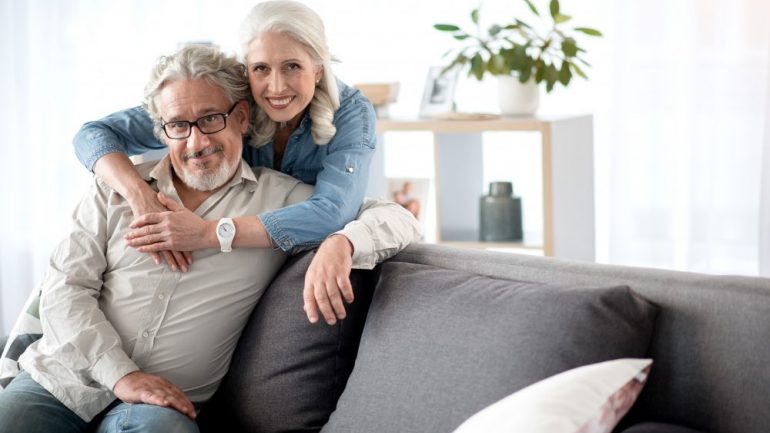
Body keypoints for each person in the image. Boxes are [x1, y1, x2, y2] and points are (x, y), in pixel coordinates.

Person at [0, 44, 418, 433]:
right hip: (61, 380)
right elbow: (64, 291)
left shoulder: (284, 200)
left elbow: (398, 218)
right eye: (179, 126)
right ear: (162, 131)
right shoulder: (117, 189)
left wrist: (341, 243)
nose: (196, 142)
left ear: (240, 116)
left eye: (210, 119)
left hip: (161, 407)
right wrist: (122, 376)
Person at [73, 1, 377, 322]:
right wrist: (139, 195)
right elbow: (93, 135)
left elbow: (334, 211)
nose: (275, 87)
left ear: (318, 67)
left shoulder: (352, 113)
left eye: (292, 66)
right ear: (247, 68)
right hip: (229, 267)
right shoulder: (231, 96)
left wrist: (209, 233)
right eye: (261, 68)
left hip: (272, 260)